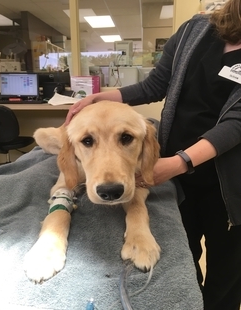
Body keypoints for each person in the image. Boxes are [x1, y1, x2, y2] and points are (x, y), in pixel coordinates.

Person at [65, 1, 241, 309]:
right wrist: (102, 97)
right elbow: (155, 84)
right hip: (175, 169)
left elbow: (236, 122)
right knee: (183, 261)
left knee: (226, 277)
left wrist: (179, 163)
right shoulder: (195, 30)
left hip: (228, 182)